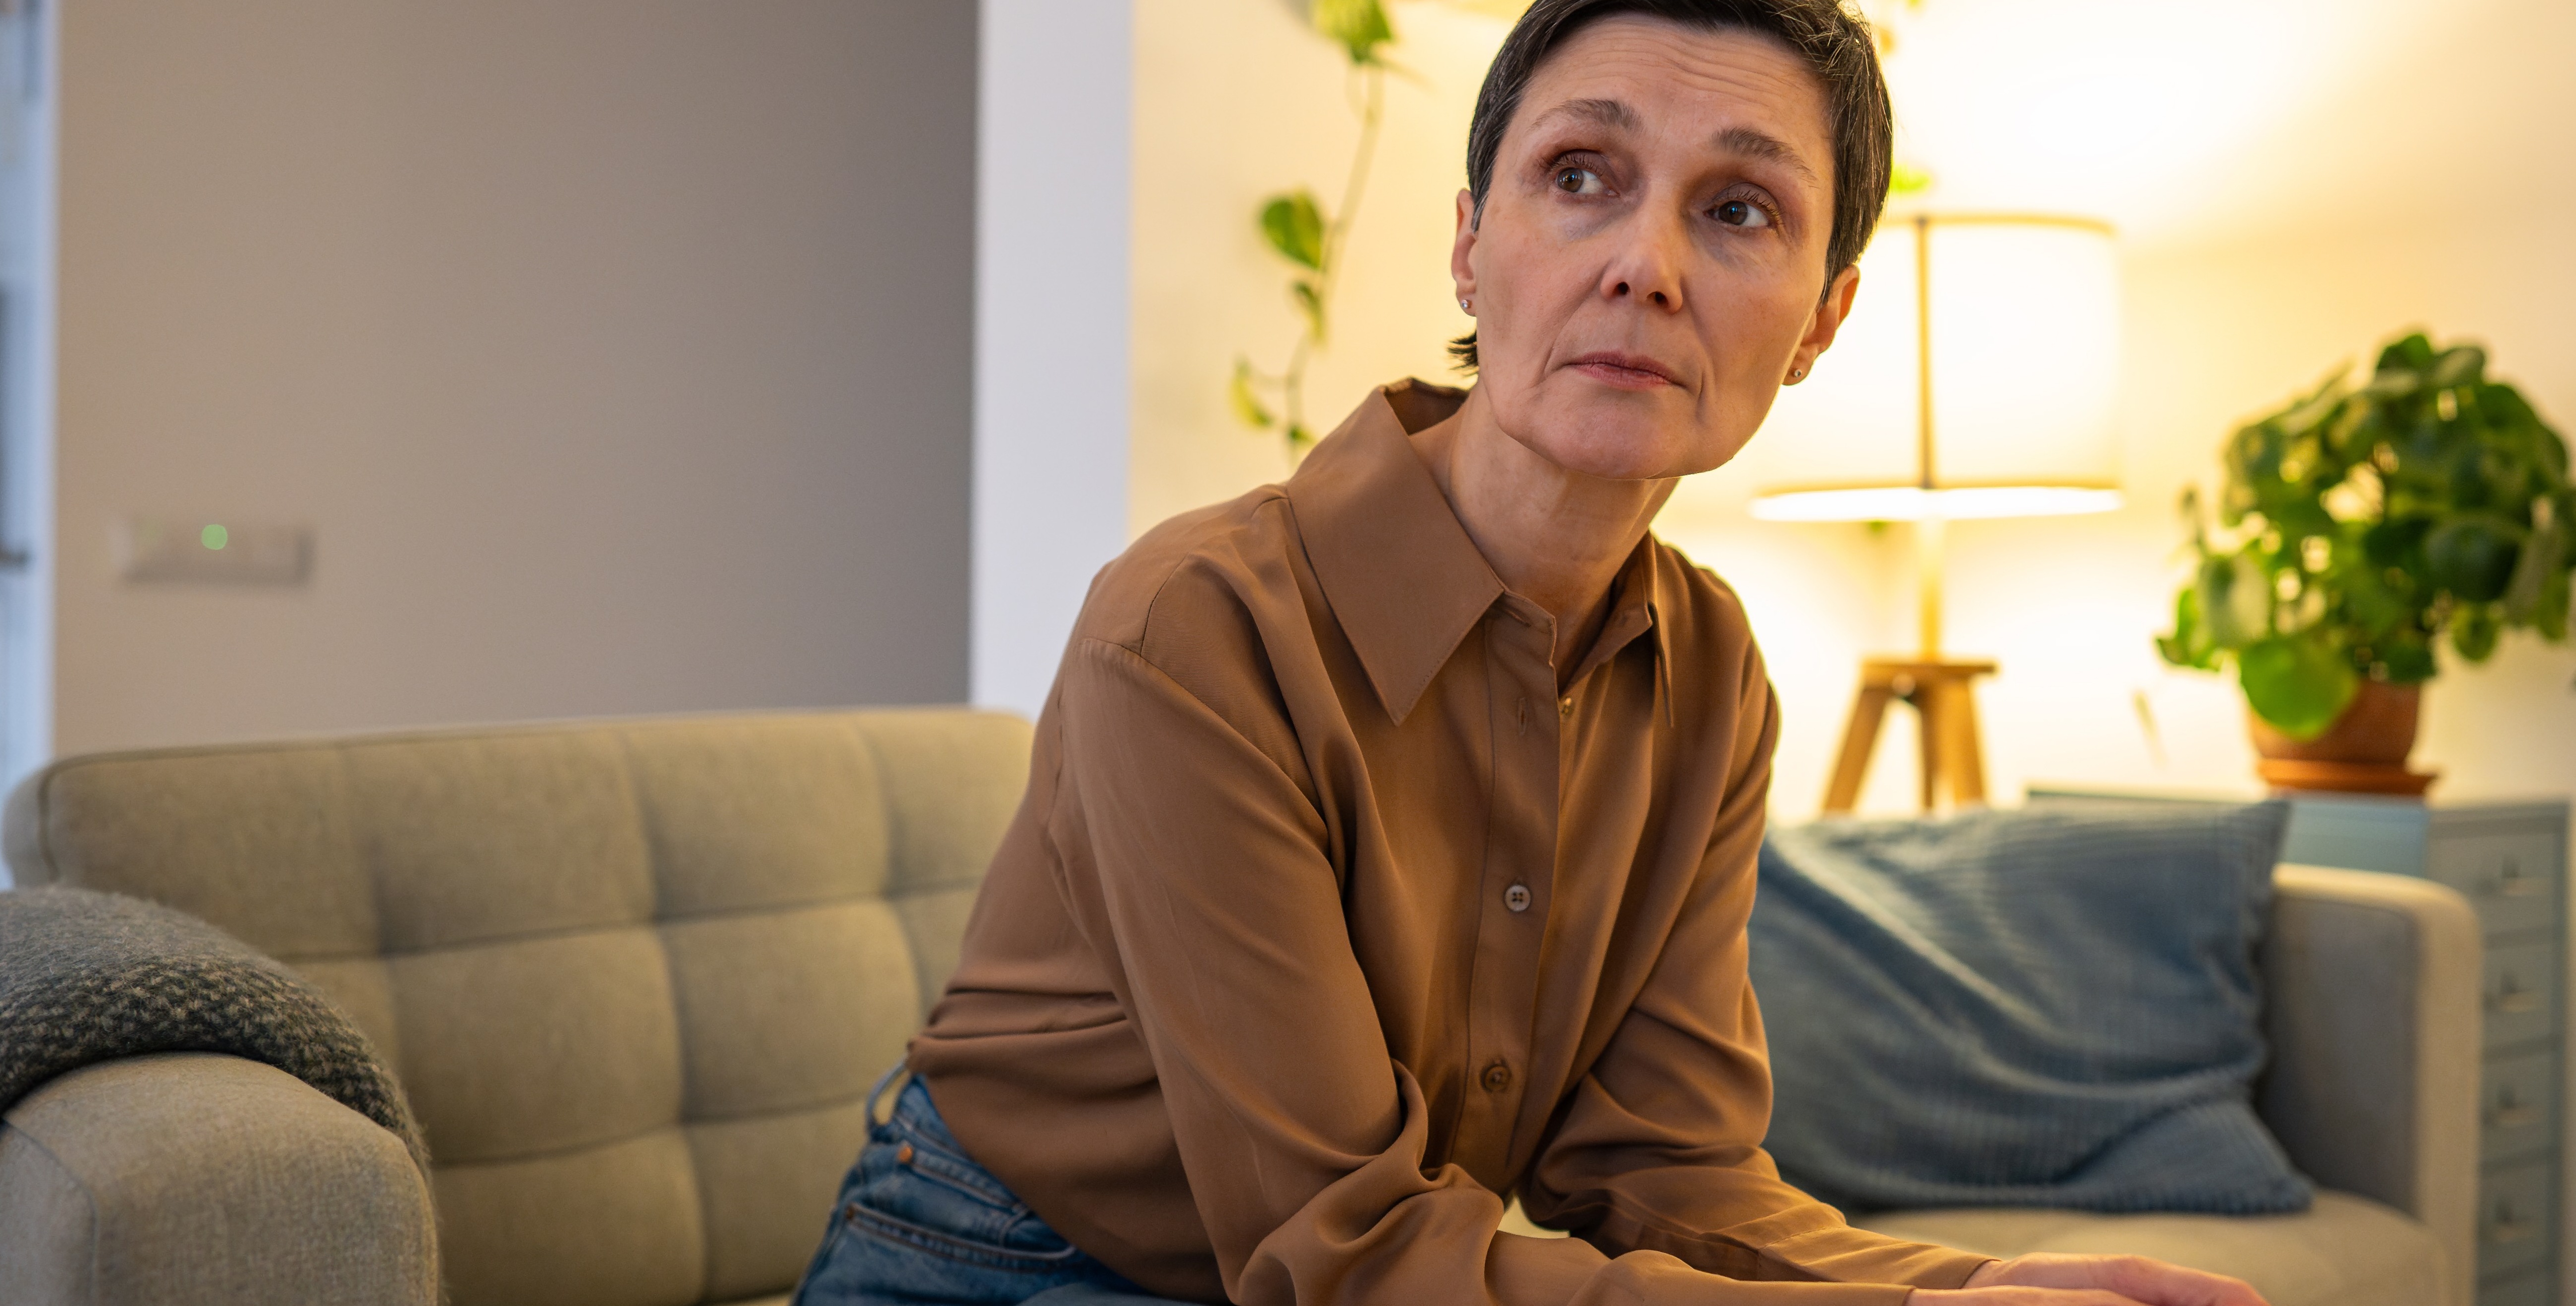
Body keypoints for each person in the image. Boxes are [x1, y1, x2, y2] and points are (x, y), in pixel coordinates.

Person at [798, 2, 2273, 1304]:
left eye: (1739, 209)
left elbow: (1669, 1170)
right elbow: (1349, 1253)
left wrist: (1979, 1285)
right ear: (1468, 245)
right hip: (1000, 1261)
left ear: (1823, 320)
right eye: (1580, 177)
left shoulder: (1712, 665)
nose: (1645, 266)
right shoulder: (1194, 630)